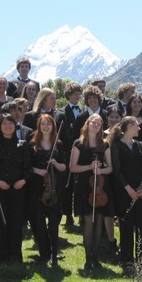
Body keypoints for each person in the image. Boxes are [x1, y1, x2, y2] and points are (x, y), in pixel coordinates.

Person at [69, 114, 113, 270]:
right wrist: (89, 167)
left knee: (99, 222)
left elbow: (110, 168)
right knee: (88, 222)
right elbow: (73, 167)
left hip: (100, 186)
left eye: (99, 123)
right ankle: (88, 259)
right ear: (87, 124)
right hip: (84, 187)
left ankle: (96, 257)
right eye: (93, 122)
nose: (96, 125)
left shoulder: (105, 144)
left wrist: (100, 170)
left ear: (101, 127)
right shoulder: (79, 144)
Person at [108, 116, 142, 273]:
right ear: (129, 126)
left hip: (140, 192)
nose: (139, 128)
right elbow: (117, 171)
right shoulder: (116, 146)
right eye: (137, 126)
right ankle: (127, 260)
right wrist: (128, 189)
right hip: (124, 192)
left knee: (141, 226)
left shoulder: (140, 146)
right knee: (126, 226)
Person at [26, 114, 67, 265]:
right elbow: (27, 166)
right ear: (39, 126)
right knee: (38, 222)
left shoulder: (59, 144)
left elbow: (64, 167)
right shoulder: (32, 145)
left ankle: (54, 254)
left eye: (48, 124)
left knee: (54, 221)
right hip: (37, 187)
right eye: (43, 124)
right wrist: (38, 171)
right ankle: (45, 252)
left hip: (54, 188)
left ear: (53, 126)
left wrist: (56, 163)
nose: (45, 127)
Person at [0, 113, 31, 264]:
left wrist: (23, 181)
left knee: (16, 223)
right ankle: (2, 257)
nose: (8, 126)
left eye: (10, 124)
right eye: (4, 124)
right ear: (0, 127)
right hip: (0, 189)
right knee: (1, 224)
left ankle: (15, 256)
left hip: (17, 189)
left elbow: (28, 168)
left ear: (15, 126)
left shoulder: (23, 144)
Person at [62, 82, 83, 226]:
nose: (77, 96)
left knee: (81, 184)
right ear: (69, 95)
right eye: (74, 94)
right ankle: (68, 214)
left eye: (78, 94)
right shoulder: (62, 112)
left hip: (81, 151)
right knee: (68, 185)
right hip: (68, 151)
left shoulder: (83, 111)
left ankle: (82, 213)